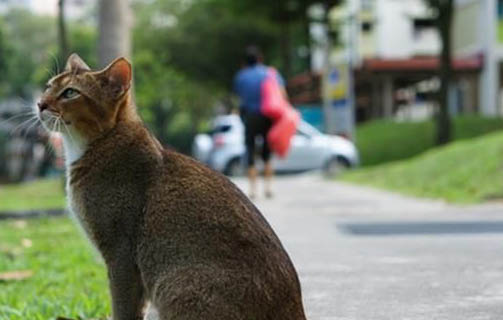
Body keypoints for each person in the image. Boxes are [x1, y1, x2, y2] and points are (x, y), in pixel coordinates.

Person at [233, 46, 285, 199]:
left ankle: (253, 190)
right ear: (260, 59)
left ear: (245, 61)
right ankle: (268, 188)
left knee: (250, 150)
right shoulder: (269, 73)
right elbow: (282, 93)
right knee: (267, 152)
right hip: (267, 115)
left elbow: (238, 96)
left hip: (249, 116)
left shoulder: (241, 76)